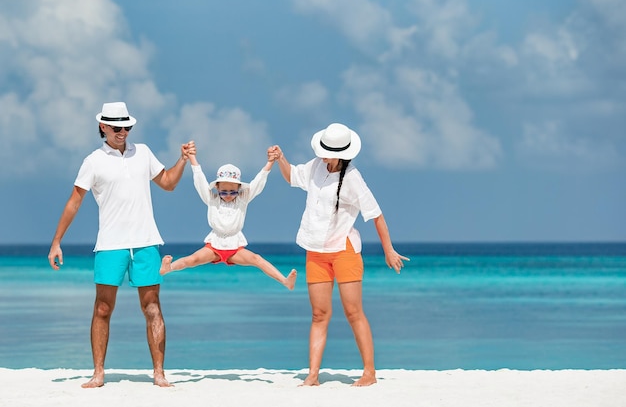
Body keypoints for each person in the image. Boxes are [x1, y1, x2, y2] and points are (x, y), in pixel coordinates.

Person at [47, 102, 195, 388]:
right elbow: (74, 201)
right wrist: (56, 242)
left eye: (127, 127)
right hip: (111, 243)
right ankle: (98, 373)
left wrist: (183, 160)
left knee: (152, 306)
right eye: (116, 128)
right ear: (103, 127)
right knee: (103, 307)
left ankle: (159, 373)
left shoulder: (144, 153)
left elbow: (168, 183)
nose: (122, 132)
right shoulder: (93, 160)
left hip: (146, 241)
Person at [268, 123, 409, 387]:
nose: (323, 155)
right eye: (322, 150)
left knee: (353, 312)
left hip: (344, 251)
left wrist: (388, 250)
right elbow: (292, 178)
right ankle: (313, 375)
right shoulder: (315, 166)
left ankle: (369, 372)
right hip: (316, 251)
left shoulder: (353, 178)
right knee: (319, 314)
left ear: (343, 153)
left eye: (328, 152)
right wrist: (281, 159)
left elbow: (376, 215)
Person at [159, 150, 297, 290]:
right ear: (217, 188)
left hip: (235, 247)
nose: (228, 195)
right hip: (214, 245)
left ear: (239, 189)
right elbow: (200, 181)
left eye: (233, 192)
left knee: (257, 259)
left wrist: (270, 162)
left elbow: (258, 183)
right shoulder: (212, 200)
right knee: (192, 260)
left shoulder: (242, 200)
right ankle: (168, 268)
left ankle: (285, 281)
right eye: (224, 192)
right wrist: (192, 158)